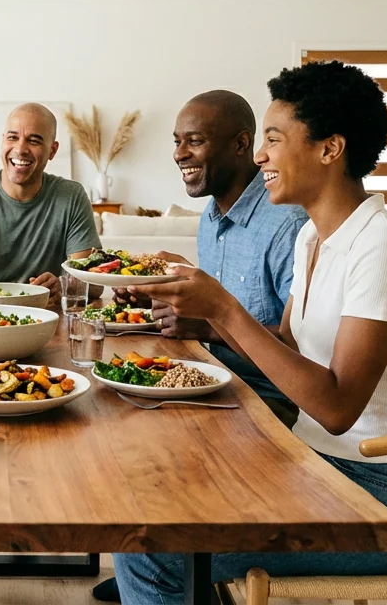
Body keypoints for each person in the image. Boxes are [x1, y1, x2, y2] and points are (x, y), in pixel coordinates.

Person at [113, 62, 387, 602]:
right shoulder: (314, 237)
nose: (260, 155)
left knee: (151, 548)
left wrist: (222, 308)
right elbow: (286, 347)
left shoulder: (383, 249)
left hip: (383, 496)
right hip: (312, 464)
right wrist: (200, 309)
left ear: (329, 149)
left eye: (272, 139)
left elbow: (337, 410)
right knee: (152, 497)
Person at [90, 90, 306, 604]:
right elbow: (213, 305)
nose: (179, 153)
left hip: (267, 402)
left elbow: (298, 351)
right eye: (177, 141)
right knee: (108, 423)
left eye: (195, 141)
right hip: (216, 380)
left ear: (240, 146)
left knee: (138, 443)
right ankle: (159, 572)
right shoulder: (212, 216)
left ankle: (160, 570)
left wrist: (205, 324)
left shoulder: (288, 226)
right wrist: (159, 290)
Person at [0, 103, 101, 300]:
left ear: (52, 150)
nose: (21, 149)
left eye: (34, 140)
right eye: (13, 137)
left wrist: (63, 284)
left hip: (41, 318)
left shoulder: (71, 196)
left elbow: (94, 281)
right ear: (3, 141)